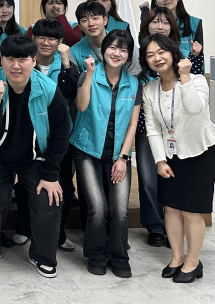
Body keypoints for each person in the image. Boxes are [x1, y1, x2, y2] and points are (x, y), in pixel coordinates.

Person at [0, 35, 70, 279]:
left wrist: (51, 174)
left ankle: (43, 256)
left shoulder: (48, 89)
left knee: (49, 199)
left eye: (23, 59)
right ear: (1, 60)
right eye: (9, 59)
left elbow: (61, 132)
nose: (16, 66)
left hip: (34, 159)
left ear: (34, 60)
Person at [140, 34, 215, 284]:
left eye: (161, 52)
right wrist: (159, 160)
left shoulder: (196, 81)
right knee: (171, 208)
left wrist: (184, 77)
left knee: (191, 211)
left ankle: (193, 261)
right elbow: (152, 129)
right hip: (170, 154)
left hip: (199, 152)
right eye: (150, 55)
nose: (156, 58)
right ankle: (177, 257)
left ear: (172, 53)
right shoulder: (149, 90)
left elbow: (195, 109)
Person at [72, 30, 140, 277]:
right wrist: (89, 74)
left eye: (123, 49)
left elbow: (132, 124)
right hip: (87, 150)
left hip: (118, 154)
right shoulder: (88, 74)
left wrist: (123, 158)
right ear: (104, 50)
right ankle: (96, 254)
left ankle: (119, 256)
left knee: (120, 210)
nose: (117, 53)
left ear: (129, 55)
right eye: (113, 47)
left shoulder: (134, 83)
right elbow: (81, 106)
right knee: (98, 208)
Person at [135, 7, 205, 247]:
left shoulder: (186, 60)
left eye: (165, 22)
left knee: (179, 188)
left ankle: (180, 236)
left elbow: (195, 103)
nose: (160, 26)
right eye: (155, 21)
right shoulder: (142, 62)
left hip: (184, 135)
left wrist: (189, 68)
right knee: (151, 180)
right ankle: (157, 227)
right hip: (151, 127)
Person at [12, 19, 80, 252]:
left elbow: (70, 93)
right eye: (41, 37)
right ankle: (24, 228)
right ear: (33, 38)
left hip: (60, 135)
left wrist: (65, 63)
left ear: (60, 42)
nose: (46, 42)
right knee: (25, 184)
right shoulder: (24, 63)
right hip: (28, 133)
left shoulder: (68, 64)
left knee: (63, 185)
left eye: (52, 38)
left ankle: (59, 233)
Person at [141, 0, 205, 72]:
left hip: (186, 71)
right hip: (154, 72)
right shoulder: (150, 23)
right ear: (155, 1)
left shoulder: (194, 23)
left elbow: (198, 53)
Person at [70, 2, 140, 76]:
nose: (91, 24)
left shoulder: (126, 44)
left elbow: (135, 77)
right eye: (84, 20)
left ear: (105, 20)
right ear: (80, 26)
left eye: (95, 18)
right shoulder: (73, 53)